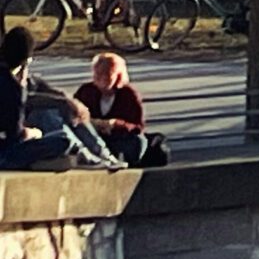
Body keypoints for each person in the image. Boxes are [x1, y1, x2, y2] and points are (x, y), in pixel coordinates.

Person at [0, 27, 75, 169]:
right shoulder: (13, 88)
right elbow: (15, 135)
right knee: (64, 140)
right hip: (5, 153)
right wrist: (34, 133)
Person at [74, 52, 165, 166]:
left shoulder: (128, 94)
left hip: (118, 136)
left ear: (118, 76)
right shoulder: (86, 91)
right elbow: (72, 115)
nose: (102, 79)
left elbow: (138, 126)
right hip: (93, 135)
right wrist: (94, 122)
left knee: (137, 141)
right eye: (98, 75)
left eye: (107, 75)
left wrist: (115, 124)